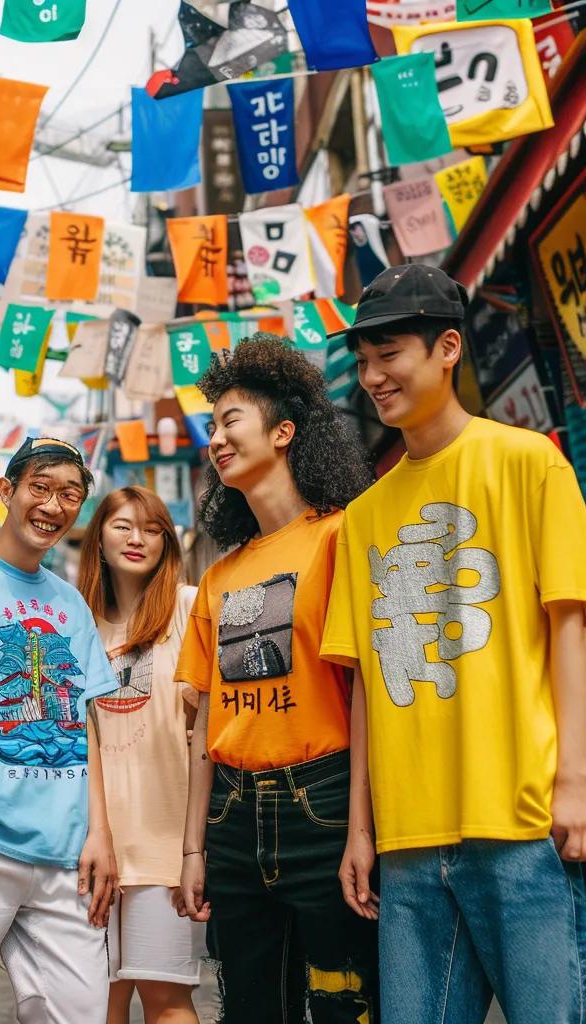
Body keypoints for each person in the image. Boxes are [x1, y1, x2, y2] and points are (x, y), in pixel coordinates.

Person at [321, 265, 586, 1024]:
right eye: (363, 360)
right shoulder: (364, 516)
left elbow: (570, 628)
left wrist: (575, 782)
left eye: (389, 354)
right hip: (408, 845)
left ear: (445, 348)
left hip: (522, 825)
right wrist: (360, 829)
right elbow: (368, 679)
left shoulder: (528, 462)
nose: (372, 376)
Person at [176, 336, 377, 1023]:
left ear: (283, 431)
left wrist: (360, 829)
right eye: (212, 427)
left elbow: (364, 699)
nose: (217, 439)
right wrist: (194, 847)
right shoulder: (219, 575)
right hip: (232, 815)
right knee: (251, 1008)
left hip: (321, 802)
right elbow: (206, 724)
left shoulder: (343, 537)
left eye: (231, 420)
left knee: (342, 1002)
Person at [0, 436, 119, 1024]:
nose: (54, 506)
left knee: (81, 1012)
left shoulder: (71, 604)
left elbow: (87, 725)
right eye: (40, 488)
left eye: (70, 494)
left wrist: (100, 833)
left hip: (67, 855)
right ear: (7, 491)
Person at [77, 486, 205, 1024]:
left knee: (166, 1000)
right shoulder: (73, 622)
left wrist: (196, 849)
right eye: (122, 526)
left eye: (153, 529)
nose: (137, 539)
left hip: (166, 847)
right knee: (95, 1004)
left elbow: (208, 728)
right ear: (98, 539)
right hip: (88, 850)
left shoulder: (192, 606)